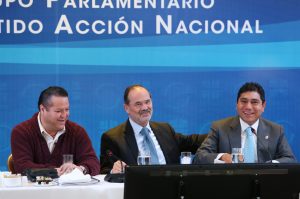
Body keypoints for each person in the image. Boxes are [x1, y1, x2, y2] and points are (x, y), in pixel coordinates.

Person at [100, 84, 206, 174]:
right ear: (126, 108)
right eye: (138, 104)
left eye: (147, 102)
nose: (145, 107)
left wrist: (219, 132)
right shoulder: (112, 138)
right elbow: (105, 171)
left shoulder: (165, 129)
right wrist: (113, 171)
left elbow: (194, 141)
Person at [193, 82, 296, 164]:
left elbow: (290, 159)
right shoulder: (220, 128)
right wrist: (222, 157)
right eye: (243, 101)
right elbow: (199, 157)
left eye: (254, 102)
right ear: (237, 104)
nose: (248, 107)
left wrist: (270, 165)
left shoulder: (276, 130)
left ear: (263, 106)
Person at [11, 86, 100, 176]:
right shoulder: (21, 132)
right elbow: (22, 167)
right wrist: (54, 171)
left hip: (69, 189)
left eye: (67, 109)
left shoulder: (77, 131)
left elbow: (93, 163)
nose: (64, 115)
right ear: (42, 109)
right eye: (58, 111)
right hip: (34, 189)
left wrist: (80, 169)